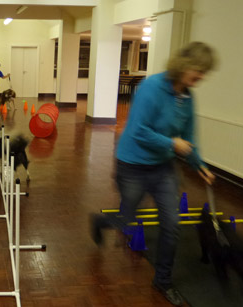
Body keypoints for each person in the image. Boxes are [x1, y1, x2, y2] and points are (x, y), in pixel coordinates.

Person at [91, 42, 217, 306]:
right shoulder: (151, 88)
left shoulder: (188, 97)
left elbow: (189, 138)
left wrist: (200, 166)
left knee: (171, 224)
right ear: (184, 65)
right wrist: (172, 143)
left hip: (164, 169)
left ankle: (162, 281)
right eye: (199, 70)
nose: (202, 77)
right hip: (132, 164)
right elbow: (138, 130)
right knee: (127, 220)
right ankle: (101, 222)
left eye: (205, 72)